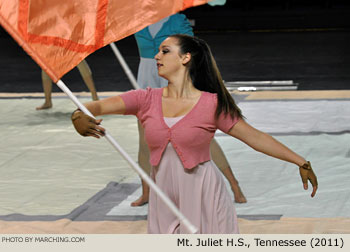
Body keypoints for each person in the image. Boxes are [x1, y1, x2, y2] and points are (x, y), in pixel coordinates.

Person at [71, 34, 318, 233]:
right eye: (158, 51)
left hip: (204, 195)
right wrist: (78, 117)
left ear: (186, 58)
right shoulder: (145, 99)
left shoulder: (212, 103)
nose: (157, 56)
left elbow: (255, 137)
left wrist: (300, 161)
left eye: (165, 51)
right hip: (163, 198)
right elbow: (94, 107)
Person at [132, 13, 246, 207]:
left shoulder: (177, 20)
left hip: (175, 79)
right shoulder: (137, 19)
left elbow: (193, 52)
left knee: (200, 137)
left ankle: (233, 183)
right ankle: (147, 191)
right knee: (144, 139)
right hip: (146, 79)